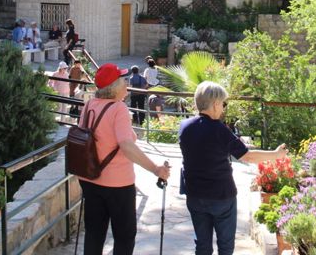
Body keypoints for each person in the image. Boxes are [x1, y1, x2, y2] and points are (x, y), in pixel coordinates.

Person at [179, 81, 288, 255]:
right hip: (221, 196)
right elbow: (248, 156)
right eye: (223, 103)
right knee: (226, 246)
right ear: (215, 104)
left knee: (202, 245)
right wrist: (275, 155)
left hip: (195, 195)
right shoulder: (219, 130)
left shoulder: (185, 127)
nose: (223, 108)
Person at [78, 63, 171, 255]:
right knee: (124, 237)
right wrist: (155, 169)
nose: (126, 83)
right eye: (123, 80)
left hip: (90, 178)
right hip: (117, 185)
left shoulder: (89, 105)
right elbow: (126, 145)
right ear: (114, 86)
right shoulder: (118, 109)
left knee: (94, 234)